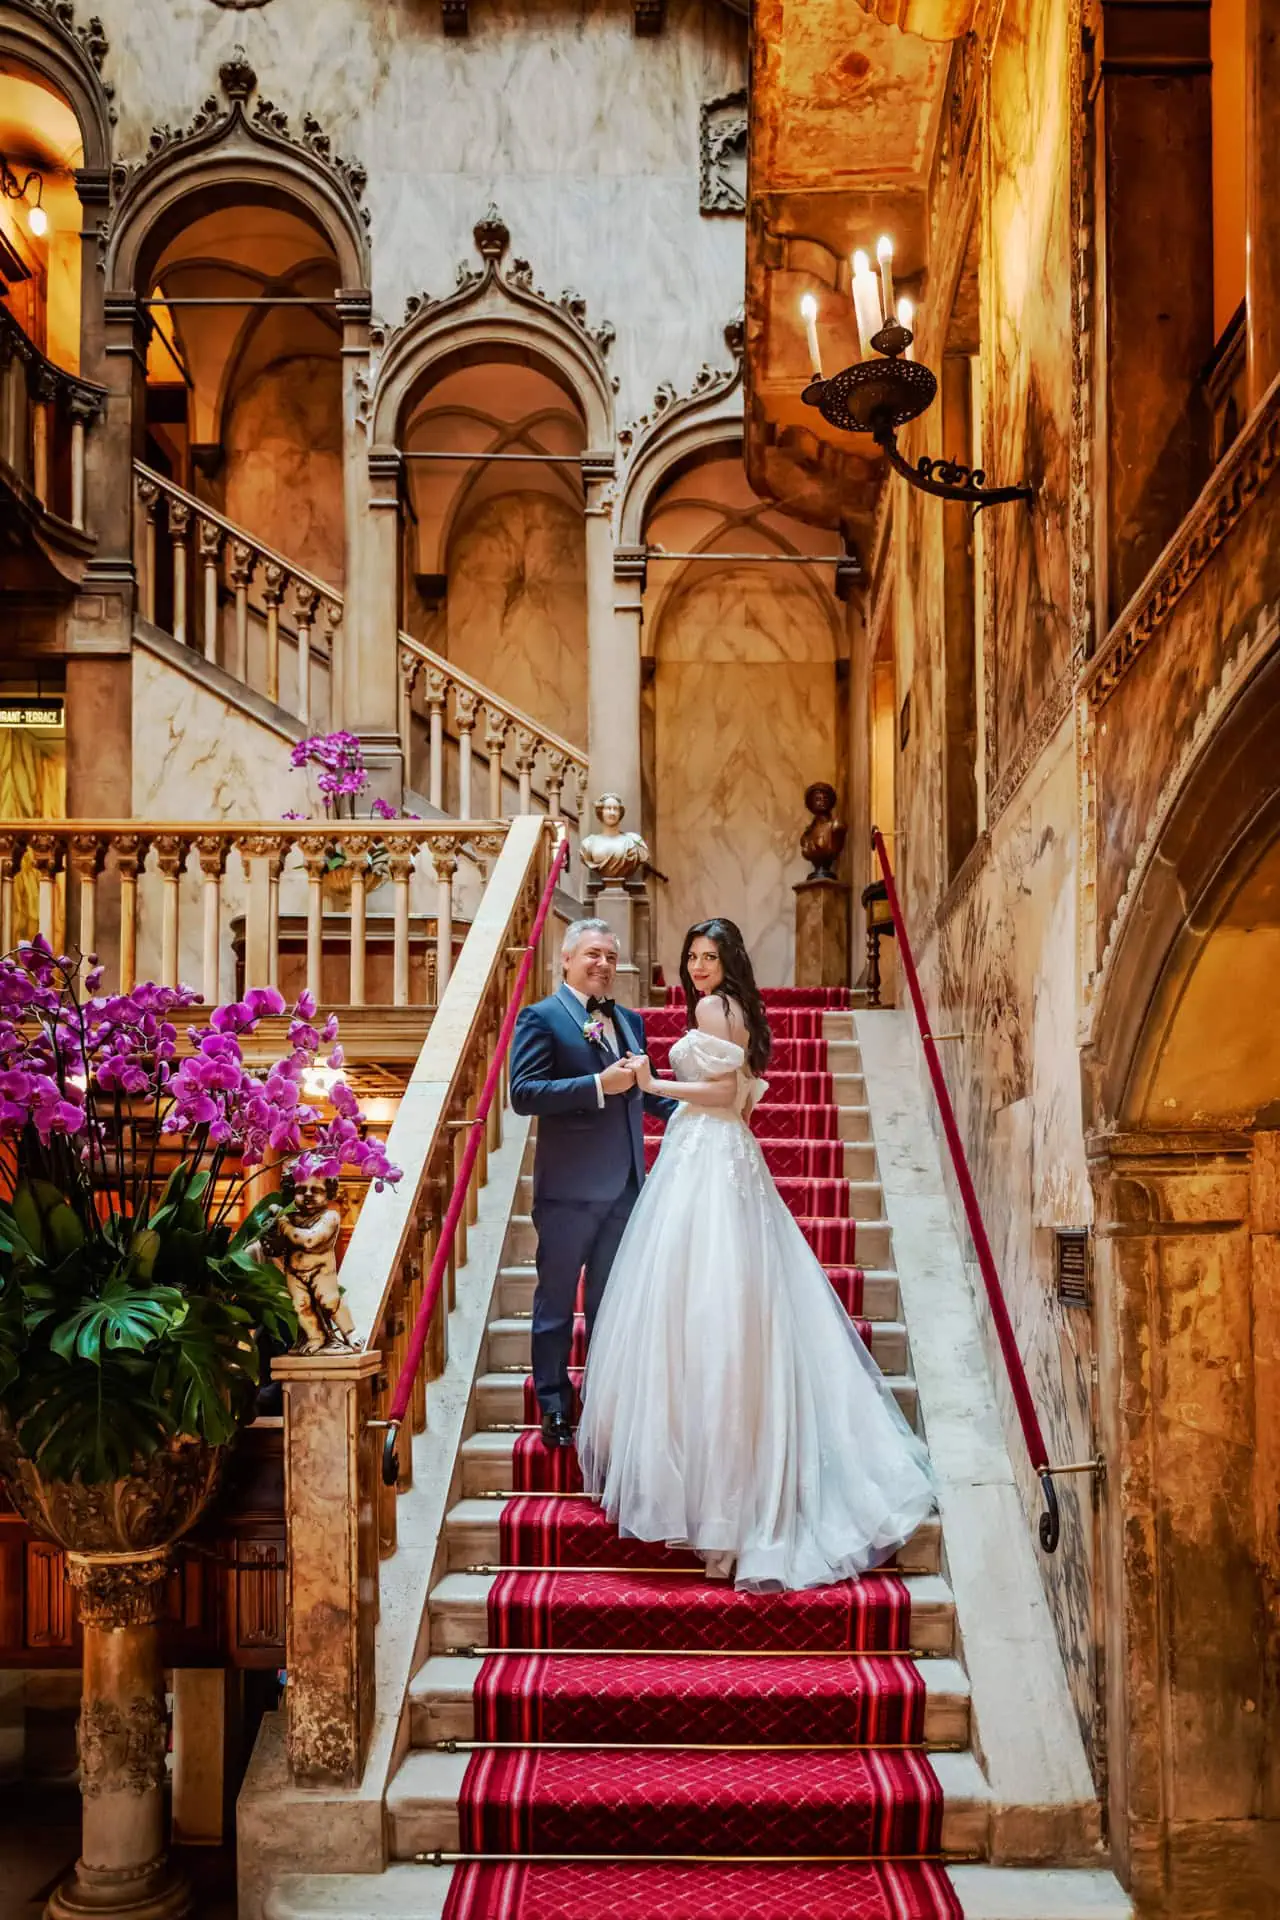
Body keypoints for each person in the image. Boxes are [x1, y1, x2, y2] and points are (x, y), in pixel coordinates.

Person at [577, 917, 936, 1590]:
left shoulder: (715, 1009)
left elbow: (721, 1095)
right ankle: (726, 1507)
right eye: (692, 955)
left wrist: (654, 1085)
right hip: (721, 1153)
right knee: (727, 1310)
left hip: (709, 1156)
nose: (697, 966)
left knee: (703, 1312)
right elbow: (741, 1095)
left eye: (709, 955)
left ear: (729, 961)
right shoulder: (735, 1008)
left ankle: (720, 1512)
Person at [509, 918, 677, 1448]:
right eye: (592, 954)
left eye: (609, 955)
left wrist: (690, 1111)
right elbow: (525, 1093)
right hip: (567, 1192)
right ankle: (554, 1405)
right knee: (556, 1305)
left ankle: (604, 1404)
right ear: (566, 959)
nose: (602, 964)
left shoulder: (628, 1020)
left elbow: (641, 1093)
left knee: (611, 1303)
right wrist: (595, 1086)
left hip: (626, 1188)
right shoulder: (541, 1018)